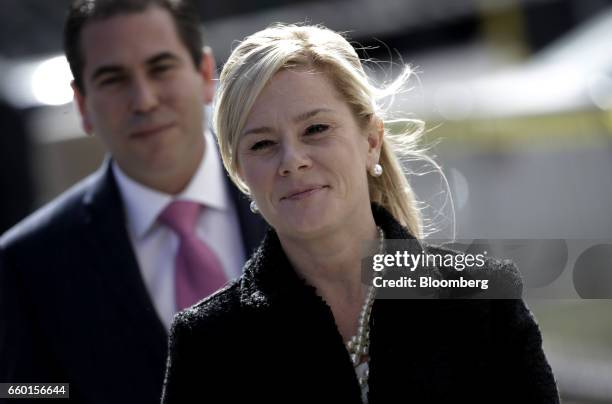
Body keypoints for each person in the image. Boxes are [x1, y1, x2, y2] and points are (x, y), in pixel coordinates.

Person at [161, 24, 560, 403]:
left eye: (315, 129)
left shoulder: (483, 300)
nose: (292, 161)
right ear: (239, 172)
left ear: (370, 140)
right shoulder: (207, 342)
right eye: (262, 144)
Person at [0, 1, 266, 403]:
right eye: (113, 79)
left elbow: (398, 308)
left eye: (161, 68)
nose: (143, 100)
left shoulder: (315, 186)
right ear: (83, 104)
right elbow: (21, 392)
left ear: (205, 75)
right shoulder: (24, 263)